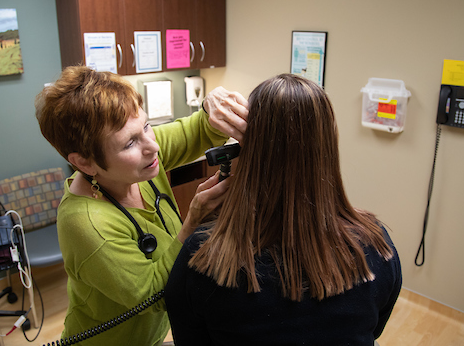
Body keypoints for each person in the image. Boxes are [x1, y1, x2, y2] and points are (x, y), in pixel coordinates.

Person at [164, 73, 402, 346]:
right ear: (327, 148)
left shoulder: (202, 259)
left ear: (246, 151)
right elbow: (374, 328)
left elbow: (190, 339)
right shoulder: (378, 246)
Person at [34, 66, 248, 346]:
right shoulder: (87, 224)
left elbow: (198, 130)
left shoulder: (138, 163)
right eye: (130, 143)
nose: (153, 146)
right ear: (84, 162)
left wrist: (215, 107)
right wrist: (193, 222)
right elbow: (151, 295)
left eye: (146, 126)